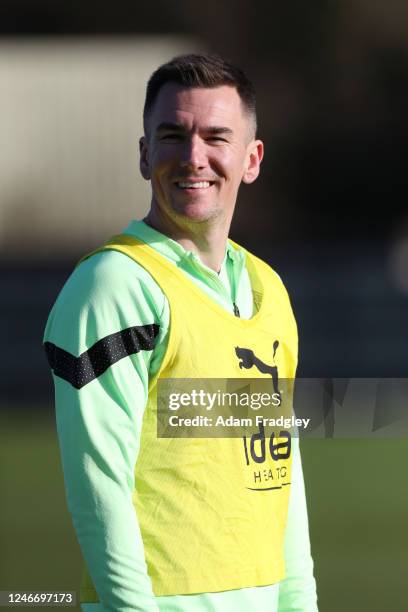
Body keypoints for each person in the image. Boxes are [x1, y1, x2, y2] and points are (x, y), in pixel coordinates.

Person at [44, 53, 318, 611]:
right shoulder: (114, 285)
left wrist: (300, 603)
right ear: (145, 155)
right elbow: (100, 489)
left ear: (252, 158)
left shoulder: (268, 288)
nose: (194, 157)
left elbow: (279, 472)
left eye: (216, 137)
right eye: (172, 136)